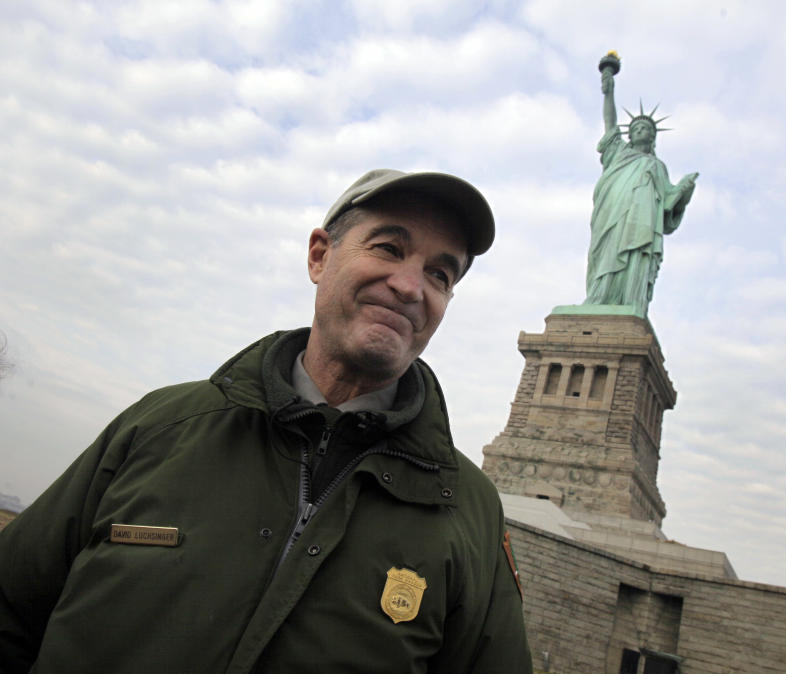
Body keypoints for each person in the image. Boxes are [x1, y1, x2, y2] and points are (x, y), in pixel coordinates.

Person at [0, 169, 533, 673]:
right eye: (389, 248)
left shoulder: (469, 509)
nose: (411, 286)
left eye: (439, 274)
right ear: (320, 256)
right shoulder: (160, 427)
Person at [585, 64, 698, 317]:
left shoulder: (657, 166)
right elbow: (609, 122)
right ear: (630, 135)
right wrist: (608, 92)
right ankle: (599, 297)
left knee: (636, 256)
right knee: (606, 255)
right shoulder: (619, 153)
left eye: (646, 128)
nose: (640, 131)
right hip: (612, 214)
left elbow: (668, 204)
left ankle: (631, 302)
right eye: (635, 128)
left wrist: (684, 191)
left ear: (653, 137)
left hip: (641, 223)